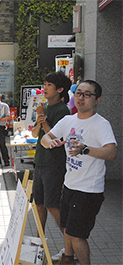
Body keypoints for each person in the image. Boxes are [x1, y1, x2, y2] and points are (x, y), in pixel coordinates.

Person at [41, 80, 117, 265]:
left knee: (77, 235)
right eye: (78, 93)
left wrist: (85, 149)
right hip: (69, 185)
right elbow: (45, 138)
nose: (81, 97)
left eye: (87, 94)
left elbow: (111, 152)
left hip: (89, 191)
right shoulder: (68, 121)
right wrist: (49, 142)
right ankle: (67, 259)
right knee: (67, 229)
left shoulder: (101, 124)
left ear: (97, 100)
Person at [31, 72, 71, 257]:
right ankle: (39, 242)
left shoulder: (62, 110)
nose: (44, 88)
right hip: (40, 161)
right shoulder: (45, 107)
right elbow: (35, 134)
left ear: (60, 89)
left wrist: (43, 118)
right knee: (39, 203)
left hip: (54, 164)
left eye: (48, 85)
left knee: (52, 205)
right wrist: (40, 119)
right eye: (44, 83)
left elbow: (55, 139)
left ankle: (71, 245)